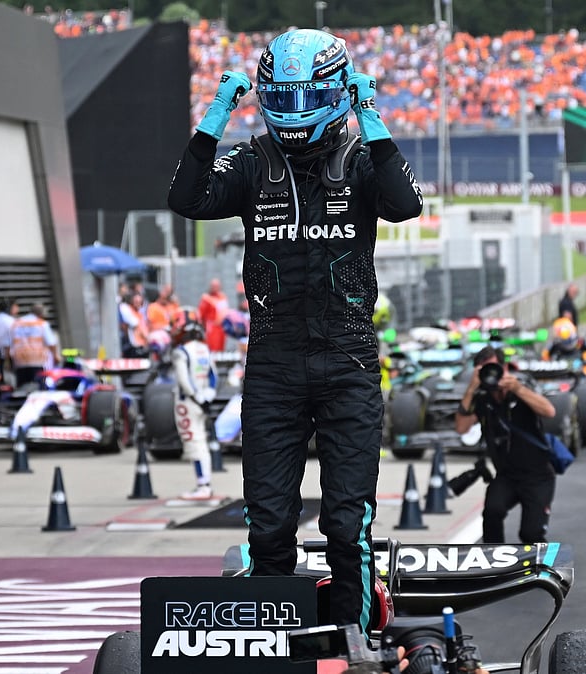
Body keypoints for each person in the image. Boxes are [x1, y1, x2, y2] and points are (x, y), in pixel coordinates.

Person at [167, 28, 423, 635]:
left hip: (350, 364)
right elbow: (186, 198)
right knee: (269, 524)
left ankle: (358, 642)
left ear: (336, 92)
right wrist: (215, 114)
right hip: (274, 365)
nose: (295, 110)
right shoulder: (252, 163)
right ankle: (270, 644)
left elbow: (403, 204)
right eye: (281, 95)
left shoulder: (363, 159)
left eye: (308, 96)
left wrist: (371, 115)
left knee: (345, 522)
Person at [454, 346, 558, 544]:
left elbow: (549, 411)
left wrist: (517, 389)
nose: (491, 374)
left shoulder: (521, 386)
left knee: (531, 534)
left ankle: (536, 572)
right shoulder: (482, 398)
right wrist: (471, 388)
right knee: (492, 512)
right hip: (506, 475)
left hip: (537, 476)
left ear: (504, 367)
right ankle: (494, 565)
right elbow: (461, 428)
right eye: (484, 369)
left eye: (493, 368)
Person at [170, 320, 217, 500]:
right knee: (201, 442)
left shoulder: (181, 352)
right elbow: (213, 376)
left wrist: (195, 397)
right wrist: (207, 397)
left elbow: (183, 380)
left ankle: (202, 485)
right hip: (203, 400)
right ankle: (205, 483)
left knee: (193, 442)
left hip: (187, 403)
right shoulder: (205, 349)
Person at [9, 302, 59, 386]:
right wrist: (55, 356)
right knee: (38, 388)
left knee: (22, 388)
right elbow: (51, 343)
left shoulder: (16, 323)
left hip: (19, 362)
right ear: (41, 314)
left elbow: (9, 343)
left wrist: (8, 360)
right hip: (37, 361)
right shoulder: (42, 324)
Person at [197, 279, 229, 353]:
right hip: (212, 327)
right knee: (213, 348)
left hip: (222, 327)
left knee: (221, 349)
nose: (215, 288)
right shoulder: (206, 298)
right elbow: (200, 315)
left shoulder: (222, 297)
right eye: (213, 286)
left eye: (217, 286)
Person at [119, 292, 150, 358]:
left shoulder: (140, 315)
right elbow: (134, 324)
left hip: (141, 345)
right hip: (132, 345)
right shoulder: (126, 309)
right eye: (136, 301)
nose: (138, 304)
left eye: (140, 302)